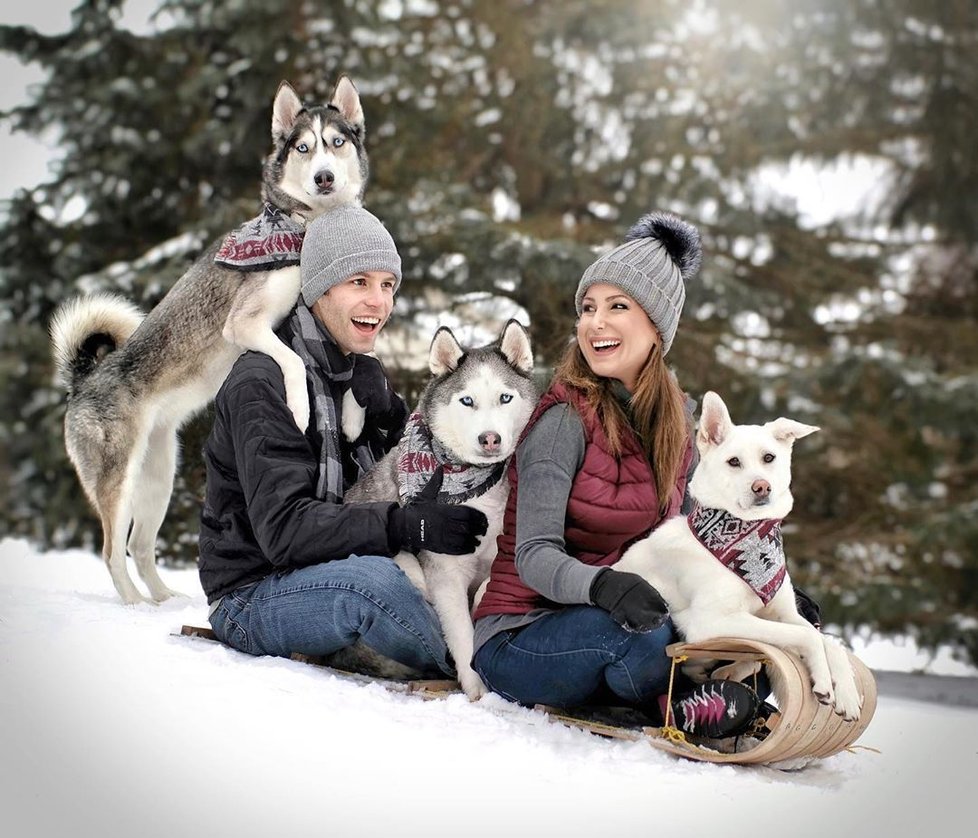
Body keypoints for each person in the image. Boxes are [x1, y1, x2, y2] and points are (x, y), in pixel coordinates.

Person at [471, 210, 764, 738]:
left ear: (656, 327)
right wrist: (603, 586)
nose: (594, 323)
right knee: (639, 639)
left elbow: (702, 536)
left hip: (634, 614)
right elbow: (532, 555)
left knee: (754, 631)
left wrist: (758, 586)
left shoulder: (680, 426)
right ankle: (680, 707)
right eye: (588, 308)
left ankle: (715, 696)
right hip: (521, 633)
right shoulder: (563, 420)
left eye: (617, 307)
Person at [197, 205, 488, 676]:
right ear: (318, 289)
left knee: (465, 575)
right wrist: (404, 526)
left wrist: (391, 414)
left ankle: (508, 648)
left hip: (325, 566)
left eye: (387, 285)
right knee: (373, 585)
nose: (379, 302)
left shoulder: (352, 372)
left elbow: (396, 475)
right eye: (359, 283)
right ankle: (477, 665)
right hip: (256, 592)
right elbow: (285, 532)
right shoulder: (263, 381)